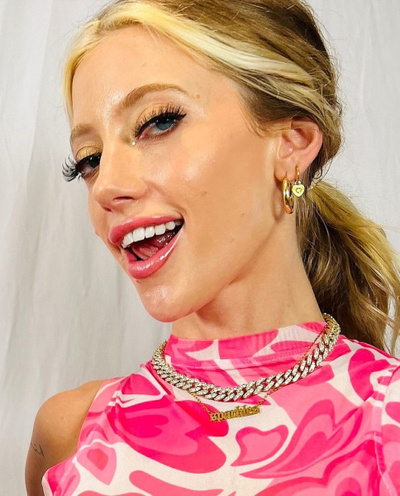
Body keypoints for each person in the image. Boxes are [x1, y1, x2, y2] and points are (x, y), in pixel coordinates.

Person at [26, 0, 400, 494]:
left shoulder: (387, 422)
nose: (106, 186)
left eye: (158, 122)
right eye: (89, 160)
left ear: (291, 143)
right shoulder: (69, 435)